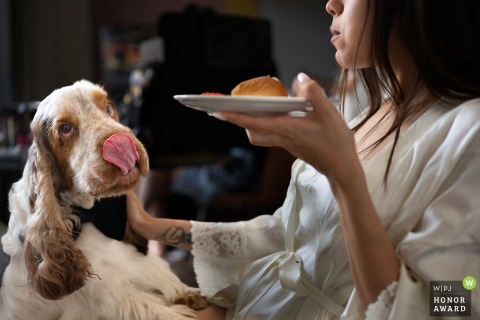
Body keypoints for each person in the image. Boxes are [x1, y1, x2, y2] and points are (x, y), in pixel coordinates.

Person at [126, 0, 480, 319]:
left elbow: (456, 301)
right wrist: (149, 226)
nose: (331, 5)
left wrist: (343, 175)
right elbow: (288, 236)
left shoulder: (469, 130)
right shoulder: (368, 110)